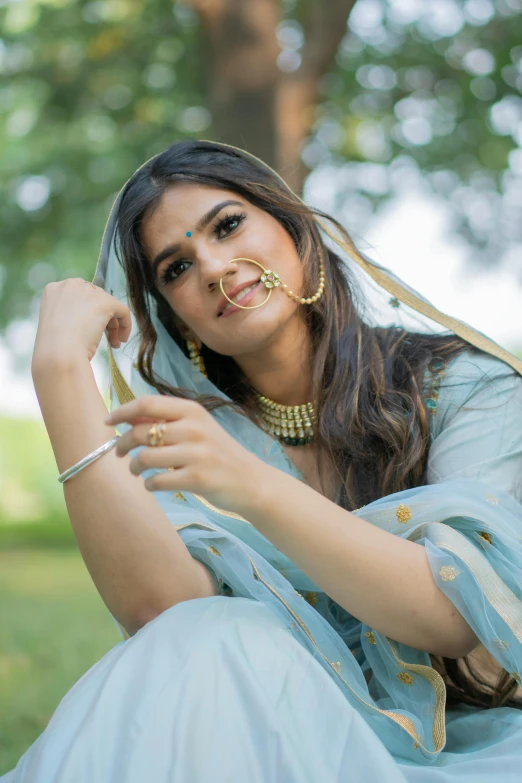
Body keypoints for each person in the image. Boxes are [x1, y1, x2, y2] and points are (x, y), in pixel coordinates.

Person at [3, 139, 522, 782]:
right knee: (216, 632)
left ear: (295, 228)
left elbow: (451, 620)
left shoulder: (462, 388)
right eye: (176, 269)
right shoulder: (188, 434)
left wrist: (254, 487)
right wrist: (58, 375)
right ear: (179, 321)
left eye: (228, 225)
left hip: (464, 745)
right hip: (259, 728)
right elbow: (165, 617)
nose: (216, 266)